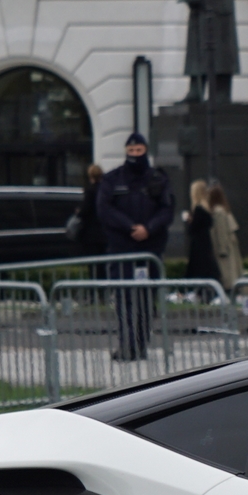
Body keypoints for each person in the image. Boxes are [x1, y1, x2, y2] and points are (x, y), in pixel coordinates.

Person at [96, 133, 174, 360]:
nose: (135, 155)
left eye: (139, 151)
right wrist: (130, 227)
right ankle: (127, 344)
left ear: (146, 150)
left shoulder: (158, 179)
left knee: (147, 300)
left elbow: (167, 210)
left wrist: (148, 229)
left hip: (149, 251)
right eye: (131, 152)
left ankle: (140, 344)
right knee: (124, 299)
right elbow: (104, 209)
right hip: (121, 250)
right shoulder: (112, 180)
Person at [205, 179, 243, 290]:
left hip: (224, 250)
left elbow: (221, 233)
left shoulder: (218, 212)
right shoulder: (223, 210)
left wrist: (222, 250)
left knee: (227, 275)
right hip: (228, 248)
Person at [184, 179, 221, 283]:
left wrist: (190, 221)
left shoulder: (198, 210)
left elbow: (192, 229)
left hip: (198, 245)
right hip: (206, 243)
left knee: (197, 268)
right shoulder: (207, 210)